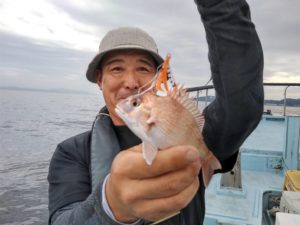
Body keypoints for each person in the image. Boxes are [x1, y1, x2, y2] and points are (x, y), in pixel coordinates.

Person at [47, 0, 264, 224]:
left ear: (155, 79)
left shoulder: (201, 135)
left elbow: (242, 105)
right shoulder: (71, 153)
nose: (130, 82)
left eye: (143, 68)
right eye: (116, 68)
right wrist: (109, 206)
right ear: (100, 79)